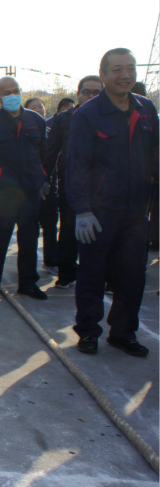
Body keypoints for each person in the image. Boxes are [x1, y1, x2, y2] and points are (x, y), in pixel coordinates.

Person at [65, 48, 159, 356]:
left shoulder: (145, 109)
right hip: (99, 212)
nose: (125, 75)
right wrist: (81, 210)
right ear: (104, 74)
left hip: (135, 213)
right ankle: (89, 331)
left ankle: (123, 332)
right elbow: (76, 164)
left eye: (130, 68)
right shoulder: (88, 114)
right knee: (92, 273)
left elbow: (155, 158)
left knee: (133, 275)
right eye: (117, 69)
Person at [0, 77, 50, 300]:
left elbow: (44, 152)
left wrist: (40, 177)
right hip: (3, 193)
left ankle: (28, 283)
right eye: (6, 93)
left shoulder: (36, 120)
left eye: (15, 90)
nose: (12, 95)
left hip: (30, 191)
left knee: (29, 239)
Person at [44, 76, 103, 289]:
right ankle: (66, 273)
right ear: (78, 94)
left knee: (103, 234)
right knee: (69, 230)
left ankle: (104, 277)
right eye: (87, 92)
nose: (91, 96)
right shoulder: (65, 119)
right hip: (72, 184)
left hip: (104, 187)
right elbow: (51, 152)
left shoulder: (110, 116)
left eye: (97, 92)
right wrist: (45, 179)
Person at [24, 97, 58, 275]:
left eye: (41, 107)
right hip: (30, 186)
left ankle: (51, 261)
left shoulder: (52, 130)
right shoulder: (23, 131)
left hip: (49, 184)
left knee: (50, 224)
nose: (38, 109)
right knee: (30, 228)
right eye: (33, 107)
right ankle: (29, 267)